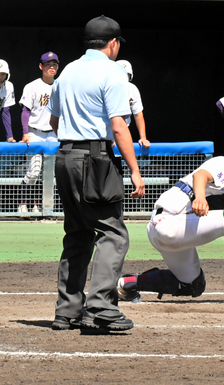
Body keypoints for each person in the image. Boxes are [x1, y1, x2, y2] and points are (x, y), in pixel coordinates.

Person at [48, 15, 145, 331]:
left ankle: (67, 311)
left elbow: (53, 122)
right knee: (113, 232)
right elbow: (119, 126)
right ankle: (101, 308)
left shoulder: (67, 72)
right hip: (95, 157)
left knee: (77, 232)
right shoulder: (113, 73)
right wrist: (134, 169)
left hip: (64, 156)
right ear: (113, 43)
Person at [117, 134, 224, 305]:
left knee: (193, 285)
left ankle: (127, 284)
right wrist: (200, 197)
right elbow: (201, 175)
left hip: (175, 231)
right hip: (170, 219)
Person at [17, 52, 60, 213]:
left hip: (53, 134)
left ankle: (43, 207)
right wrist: (25, 132)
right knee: (34, 171)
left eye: (54, 64)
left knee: (51, 173)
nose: (52, 67)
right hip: (35, 133)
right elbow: (25, 111)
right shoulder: (32, 86)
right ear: (41, 66)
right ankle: (23, 203)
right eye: (48, 64)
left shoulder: (60, 86)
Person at [116, 59, 150, 148]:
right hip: (105, 134)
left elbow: (138, 114)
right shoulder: (105, 88)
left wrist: (143, 138)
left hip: (124, 131)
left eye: (126, 74)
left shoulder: (132, 89)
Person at [0, 59, 19, 142]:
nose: (0, 77)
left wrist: (9, 136)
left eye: (3, 74)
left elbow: (5, 112)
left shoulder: (8, 86)